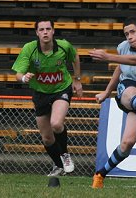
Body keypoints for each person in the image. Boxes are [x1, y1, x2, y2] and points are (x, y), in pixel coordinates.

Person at [89, 16, 136, 188]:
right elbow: (121, 67)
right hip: (128, 90)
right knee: (131, 90)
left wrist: (108, 57)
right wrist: (107, 92)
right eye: (126, 34)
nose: (129, 36)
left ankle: (100, 174)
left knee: (127, 144)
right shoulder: (124, 47)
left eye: (132, 32)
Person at [12, 17, 83, 176]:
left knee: (56, 124)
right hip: (40, 93)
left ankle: (65, 155)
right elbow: (18, 74)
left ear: (53, 31)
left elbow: (75, 57)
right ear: (37, 32)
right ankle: (59, 167)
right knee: (47, 138)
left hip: (61, 88)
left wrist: (77, 80)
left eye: (48, 29)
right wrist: (24, 78)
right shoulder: (29, 49)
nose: (45, 32)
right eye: (42, 30)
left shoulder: (64, 46)